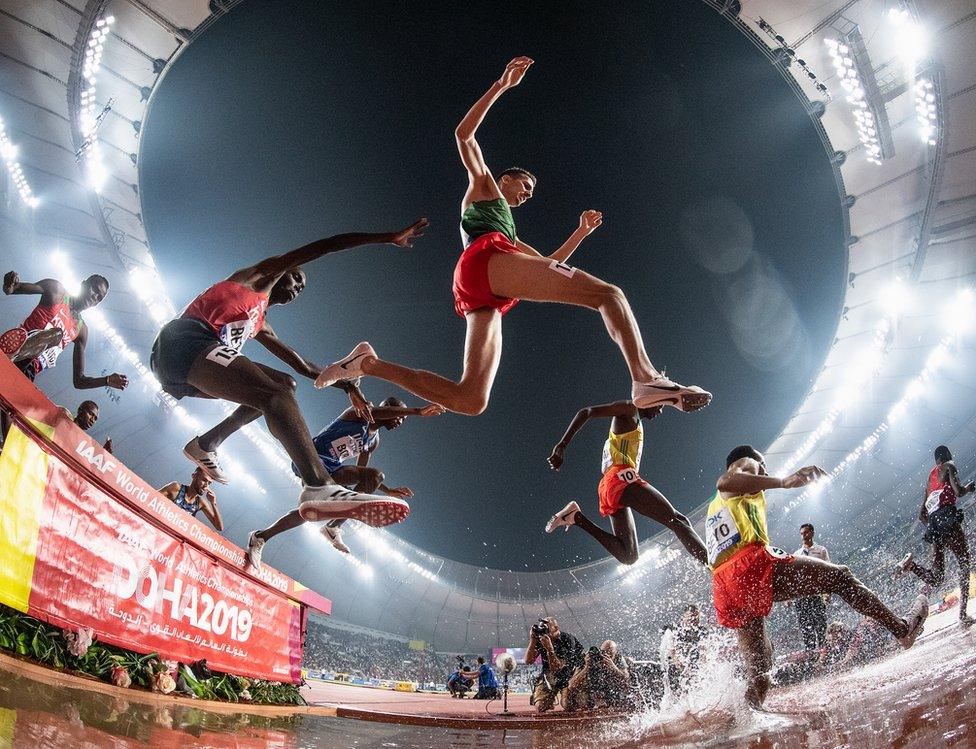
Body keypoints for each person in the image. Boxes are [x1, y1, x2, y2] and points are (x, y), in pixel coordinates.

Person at [316, 58, 710, 416]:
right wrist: (501, 85)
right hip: (485, 262)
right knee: (610, 295)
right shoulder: (485, 187)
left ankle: (367, 364)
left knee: (471, 399)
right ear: (506, 178)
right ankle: (645, 377)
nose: (527, 194)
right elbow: (464, 136)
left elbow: (549, 261)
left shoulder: (508, 229)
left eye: (531, 193)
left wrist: (581, 231)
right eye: (524, 186)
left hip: (486, 284)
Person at [148, 218, 428, 528]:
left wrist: (347, 385)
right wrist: (386, 236)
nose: (296, 288)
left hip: (191, 371)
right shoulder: (258, 278)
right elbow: (324, 246)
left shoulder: (260, 324)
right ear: (283, 271)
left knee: (284, 384)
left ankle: (206, 444)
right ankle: (319, 484)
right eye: (295, 279)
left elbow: (303, 366)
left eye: (301, 288)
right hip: (183, 342)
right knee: (274, 393)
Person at [707, 445, 929, 708]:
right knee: (841, 577)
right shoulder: (746, 463)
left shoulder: (716, 507)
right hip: (748, 566)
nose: (763, 471)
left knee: (760, 673)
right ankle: (902, 630)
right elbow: (725, 481)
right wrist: (784, 481)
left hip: (724, 585)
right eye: (762, 466)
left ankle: (744, 718)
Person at [245, 398, 444, 569]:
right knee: (313, 507)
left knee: (368, 480)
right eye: (400, 415)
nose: (401, 420)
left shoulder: (373, 441)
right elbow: (377, 412)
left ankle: (269, 535)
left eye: (404, 419)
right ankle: (265, 536)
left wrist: (386, 490)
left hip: (332, 469)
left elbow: (364, 473)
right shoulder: (360, 413)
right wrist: (416, 411)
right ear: (388, 408)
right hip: (309, 459)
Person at [543, 400, 707, 566]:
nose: (660, 411)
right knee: (678, 521)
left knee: (629, 555)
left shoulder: (634, 422)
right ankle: (714, 566)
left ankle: (576, 517)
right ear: (648, 398)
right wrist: (561, 445)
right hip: (620, 478)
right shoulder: (630, 409)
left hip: (609, 486)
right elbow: (587, 411)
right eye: (660, 405)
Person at [2, 270, 128, 391]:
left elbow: (79, 381)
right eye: (95, 289)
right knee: (56, 335)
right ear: (84, 284)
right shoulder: (56, 291)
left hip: (27, 371)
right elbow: (13, 288)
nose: (95, 296)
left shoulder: (81, 330)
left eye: (99, 298)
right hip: (14, 349)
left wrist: (106, 380)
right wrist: (10, 285)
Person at [896, 445, 975, 623]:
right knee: (964, 563)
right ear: (947, 456)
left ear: (935, 460)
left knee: (937, 578)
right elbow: (959, 491)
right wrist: (969, 488)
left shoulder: (929, 479)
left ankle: (911, 566)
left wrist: (935, 526)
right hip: (946, 517)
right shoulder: (949, 466)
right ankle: (962, 615)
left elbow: (921, 514)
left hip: (934, 522)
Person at [525, 616, 584, 713]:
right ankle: (548, 699)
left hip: (569, 675)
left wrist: (550, 649)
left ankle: (575, 696)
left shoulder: (568, 640)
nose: (543, 632)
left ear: (556, 629)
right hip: (549, 675)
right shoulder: (541, 638)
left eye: (546, 629)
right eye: (542, 629)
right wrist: (533, 639)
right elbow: (528, 661)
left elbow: (558, 669)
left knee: (568, 705)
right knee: (540, 707)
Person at [564, 640, 634, 712]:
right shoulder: (590, 657)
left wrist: (613, 667)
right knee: (568, 703)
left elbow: (626, 677)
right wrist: (586, 668)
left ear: (616, 652)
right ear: (600, 651)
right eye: (604, 652)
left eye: (610, 654)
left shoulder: (618, 658)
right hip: (589, 690)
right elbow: (571, 685)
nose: (607, 656)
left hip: (609, 691)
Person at [794, 523, 830, 650]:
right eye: (802, 534)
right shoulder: (796, 554)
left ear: (812, 533)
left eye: (806, 533)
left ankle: (825, 654)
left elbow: (827, 572)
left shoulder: (821, 550)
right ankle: (811, 656)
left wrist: (826, 593)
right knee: (806, 629)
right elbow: (794, 578)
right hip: (801, 598)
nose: (804, 536)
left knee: (821, 627)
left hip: (816, 595)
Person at [158, 468, 223, 531]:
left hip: (175, 535)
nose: (206, 485)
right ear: (194, 476)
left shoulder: (200, 502)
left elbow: (219, 527)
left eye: (209, 483)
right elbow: (150, 497)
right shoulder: (175, 488)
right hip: (161, 528)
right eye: (204, 480)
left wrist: (213, 503)